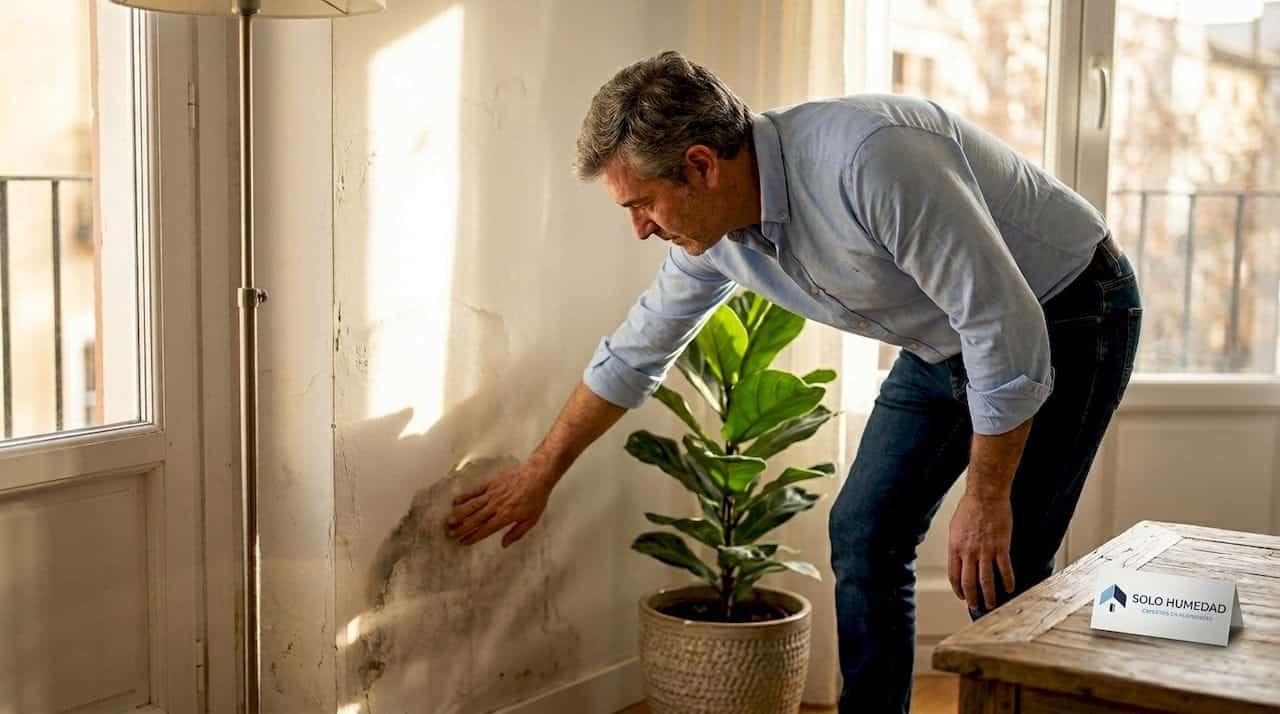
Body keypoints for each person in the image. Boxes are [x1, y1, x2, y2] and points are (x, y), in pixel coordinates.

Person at [445, 50, 1141, 712]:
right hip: (944, 337)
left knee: (1006, 560)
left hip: (1071, 310)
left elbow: (1004, 326)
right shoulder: (715, 241)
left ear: (700, 166)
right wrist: (540, 472)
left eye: (642, 204)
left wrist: (988, 498)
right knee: (865, 531)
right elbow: (634, 354)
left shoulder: (871, 159)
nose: (639, 229)